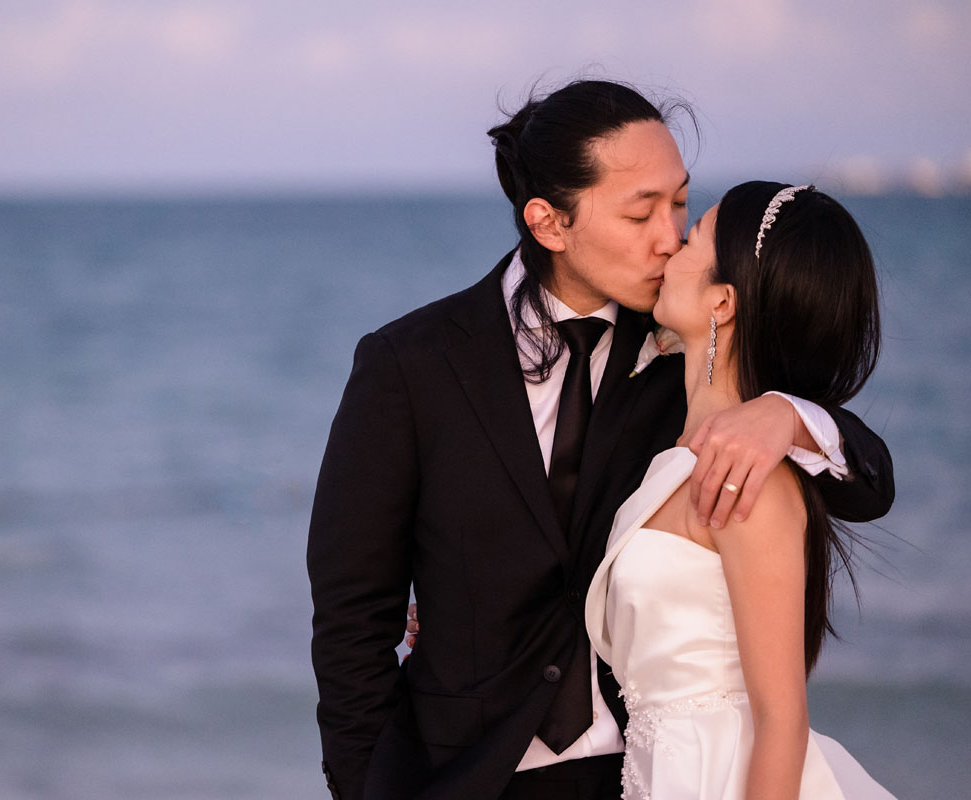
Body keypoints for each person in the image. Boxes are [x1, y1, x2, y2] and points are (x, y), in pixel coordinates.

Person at [307, 80, 893, 800]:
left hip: (644, 772)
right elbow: (351, 621)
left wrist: (789, 416)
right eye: (641, 212)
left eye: (680, 204)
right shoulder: (411, 365)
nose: (669, 237)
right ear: (551, 224)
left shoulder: (689, 350)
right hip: (471, 776)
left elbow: (870, 486)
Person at [582, 182, 895, 798]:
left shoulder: (751, 479)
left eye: (692, 235)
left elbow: (783, 721)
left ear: (722, 301)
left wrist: (788, 415)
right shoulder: (675, 449)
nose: (670, 243)